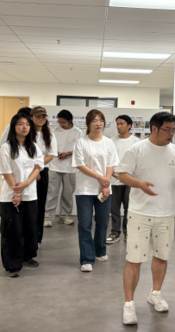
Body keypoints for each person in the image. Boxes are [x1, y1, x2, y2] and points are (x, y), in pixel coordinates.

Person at [117, 112, 175, 325]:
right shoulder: (137, 149)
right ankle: (129, 304)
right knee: (134, 260)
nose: (171, 134)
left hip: (165, 213)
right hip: (140, 213)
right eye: (167, 130)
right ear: (154, 128)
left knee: (161, 257)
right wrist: (139, 184)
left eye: (173, 130)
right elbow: (122, 174)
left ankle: (155, 294)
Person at [0, 113, 44, 278]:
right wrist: (17, 191)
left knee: (30, 228)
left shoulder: (33, 147)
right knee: (12, 230)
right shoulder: (6, 147)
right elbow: (6, 171)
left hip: (30, 194)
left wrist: (26, 184)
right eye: (20, 124)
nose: (25, 127)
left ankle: (27, 256)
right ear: (13, 127)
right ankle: (12, 265)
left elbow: (38, 167)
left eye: (27, 124)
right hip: (11, 196)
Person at [71, 109, 119, 272]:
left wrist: (105, 183)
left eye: (101, 120)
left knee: (103, 222)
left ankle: (100, 250)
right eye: (95, 120)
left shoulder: (108, 142)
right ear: (88, 123)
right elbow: (80, 164)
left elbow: (111, 164)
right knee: (85, 224)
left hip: (104, 189)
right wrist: (100, 178)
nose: (98, 123)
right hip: (85, 189)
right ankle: (86, 259)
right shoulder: (81, 142)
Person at [45, 109, 83, 227]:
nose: (61, 124)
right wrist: (55, 152)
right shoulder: (54, 131)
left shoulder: (78, 132)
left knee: (68, 194)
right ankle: (48, 217)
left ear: (70, 121)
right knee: (52, 193)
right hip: (54, 166)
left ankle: (64, 216)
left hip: (70, 168)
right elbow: (48, 146)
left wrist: (68, 153)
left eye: (63, 122)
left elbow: (80, 149)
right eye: (59, 122)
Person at [26, 107, 57, 246]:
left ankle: (37, 237)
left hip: (42, 171)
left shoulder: (49, 135)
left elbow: (51, 155)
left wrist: (37, 168)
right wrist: (33, 169)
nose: (41, 119)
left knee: (40, 205)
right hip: (26, 171)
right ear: (31, 117)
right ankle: (25, 235)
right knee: (28, 204)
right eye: (38, 116)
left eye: (43, 116)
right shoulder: (26, 132)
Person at [107, 115, 140, 245]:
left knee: (129, 208)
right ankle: (115, 232)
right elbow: (107, 158)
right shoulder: (111, 141)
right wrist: (110, 172)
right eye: (118, 124)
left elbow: (139, 161)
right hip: (114, 179)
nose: (119, 126)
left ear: (129, 126)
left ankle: (128, 233)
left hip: (130, 180)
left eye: (122, 124)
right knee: (114, 208)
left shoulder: (136, 141)